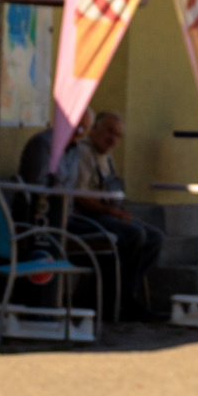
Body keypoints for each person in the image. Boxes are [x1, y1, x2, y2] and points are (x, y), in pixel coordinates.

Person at [57, 111, 162, 320]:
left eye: (118, 136)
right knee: (134, 235)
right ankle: (118, 302)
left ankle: (124, 296)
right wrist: (110, 211)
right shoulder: (83, 153)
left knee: (154, 237)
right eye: (109, 132)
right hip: (82, 217)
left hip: (105, 214)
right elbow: (79, 197)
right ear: (94, 129)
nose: (112, 140)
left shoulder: (107, 158)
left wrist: (118, 210)